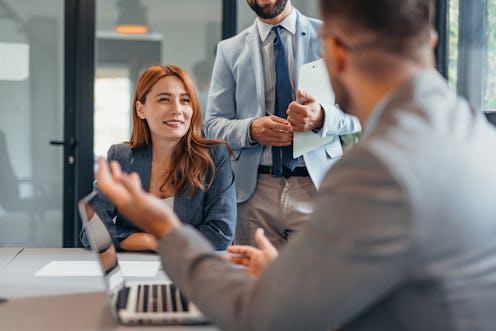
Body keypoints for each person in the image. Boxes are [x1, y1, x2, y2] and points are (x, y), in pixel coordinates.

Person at [94, 0, 496, 329]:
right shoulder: (477, 136)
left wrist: (163, 229)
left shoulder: (379, 168)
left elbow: (261, 315)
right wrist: (288, 278)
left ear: (334, 53)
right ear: (430, 38)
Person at [203, 0, 361, 248]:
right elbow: (212, 124)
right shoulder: (229, 50)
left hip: (316, 187)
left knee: (315, 284)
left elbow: (360, 112)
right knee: (258, 284)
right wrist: (251, 130)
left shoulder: (331, 38)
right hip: (254, 193)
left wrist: (322, 118)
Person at [81, 65, 236, 252]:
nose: (177, 109)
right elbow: (92, 230)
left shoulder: (214, 156)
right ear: (141, 110)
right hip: (134, 268)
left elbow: (220, 233)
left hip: (191, 269)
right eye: (164, 100)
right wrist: (147, 241)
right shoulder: (120, 157)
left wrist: (159, 242)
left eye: (185, 101)